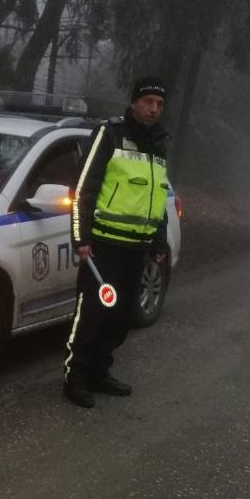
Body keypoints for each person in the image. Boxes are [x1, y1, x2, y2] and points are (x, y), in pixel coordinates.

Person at [63, 76, 170, 408]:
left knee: (120, 318)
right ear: (135, 102)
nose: (154, 109)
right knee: (92, 315)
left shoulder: (158, 144)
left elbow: (158, 196)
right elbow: (82, 190)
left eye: (160, 104)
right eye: (148, 101)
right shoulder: (109, 134)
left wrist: (159, 242)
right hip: (104, 247)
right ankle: (75, 378)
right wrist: (81, 239)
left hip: (136, 250)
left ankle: (100, 373)